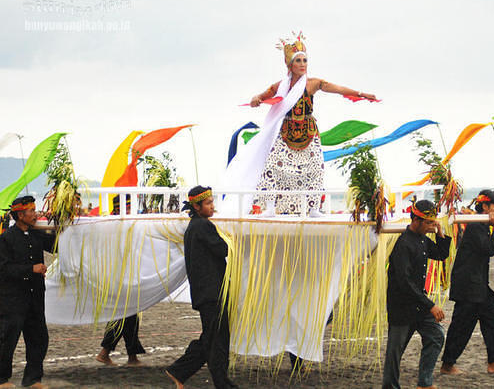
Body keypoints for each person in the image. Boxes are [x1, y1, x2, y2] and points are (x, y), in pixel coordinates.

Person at [225, 32, 377, 217]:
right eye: (298, 61)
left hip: (309, 131)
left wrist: (361, 93)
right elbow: (261, 96)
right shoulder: (280, 86)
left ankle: (313, 208)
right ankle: (270, 207)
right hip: (286, 131)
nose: (303, 64)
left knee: (315, 168)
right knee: (273, 166)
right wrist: (255, 99)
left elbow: (338, 89)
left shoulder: (313, 84)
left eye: (305, 60)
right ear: (290, 64)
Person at [165, 186, 237, 389]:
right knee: (215, 340)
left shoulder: (195, 227)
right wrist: (231, 239)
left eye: (212, 202)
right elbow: (223, 249)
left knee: (214, 338)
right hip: (212, 292)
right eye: (208, 203)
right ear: (197, 207)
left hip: (206, 292)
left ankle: (210, 379)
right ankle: (181, 371)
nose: (212, 206)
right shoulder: (203, 226)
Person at [441, 190, 494, 375]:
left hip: (478, 285)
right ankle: (447, 365)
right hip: (469, 287)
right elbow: (489, 249)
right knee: (462, 326)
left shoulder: (481, 225)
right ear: (485, 206)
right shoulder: (476, 226)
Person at [382, 200, 451, 389]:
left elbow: (440, 254)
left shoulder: (422, 239)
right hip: (402, 306)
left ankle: (425, 383)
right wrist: (431, 305)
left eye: (433, 223)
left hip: (419, 304)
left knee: (436, 336)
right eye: (429, 223)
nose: (431, 227)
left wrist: (440, 233)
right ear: (416, 220)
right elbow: (405, 283)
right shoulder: (403, 244)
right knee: (395, 352)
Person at [0, 196, 56, 389]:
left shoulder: (37, 235)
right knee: (7, 340)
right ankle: (1, 379)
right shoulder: (6, 238)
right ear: (20, 215)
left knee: (39, 338)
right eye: (31, 211)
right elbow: (3, 269)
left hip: (35, 297)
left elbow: (57, 245)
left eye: (35, 209)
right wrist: (30, 269)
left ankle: (32, 379)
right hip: (13, 299)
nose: (35, 213)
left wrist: (67, 223)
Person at [95, 195, 146, 367]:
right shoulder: (113, 225)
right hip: (118, 278)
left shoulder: (122, 224)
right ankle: (106, 352)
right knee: (123, 316)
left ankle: (130, 356)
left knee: (129, 316)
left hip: (124, 277)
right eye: (128, 207)